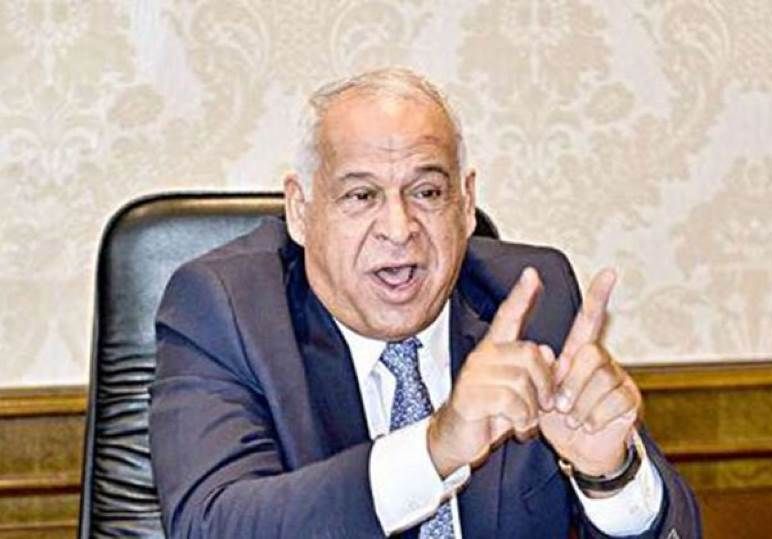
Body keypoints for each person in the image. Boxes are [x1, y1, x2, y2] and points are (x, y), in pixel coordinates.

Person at [149, 67, 700, 538]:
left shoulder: (532, 300)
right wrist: (435, 448)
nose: (399, 228)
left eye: (427, 193)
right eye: (361, 195)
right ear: (300, 210)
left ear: (466, 205)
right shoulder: (228, 310)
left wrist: (609, 474)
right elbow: (210, 524)